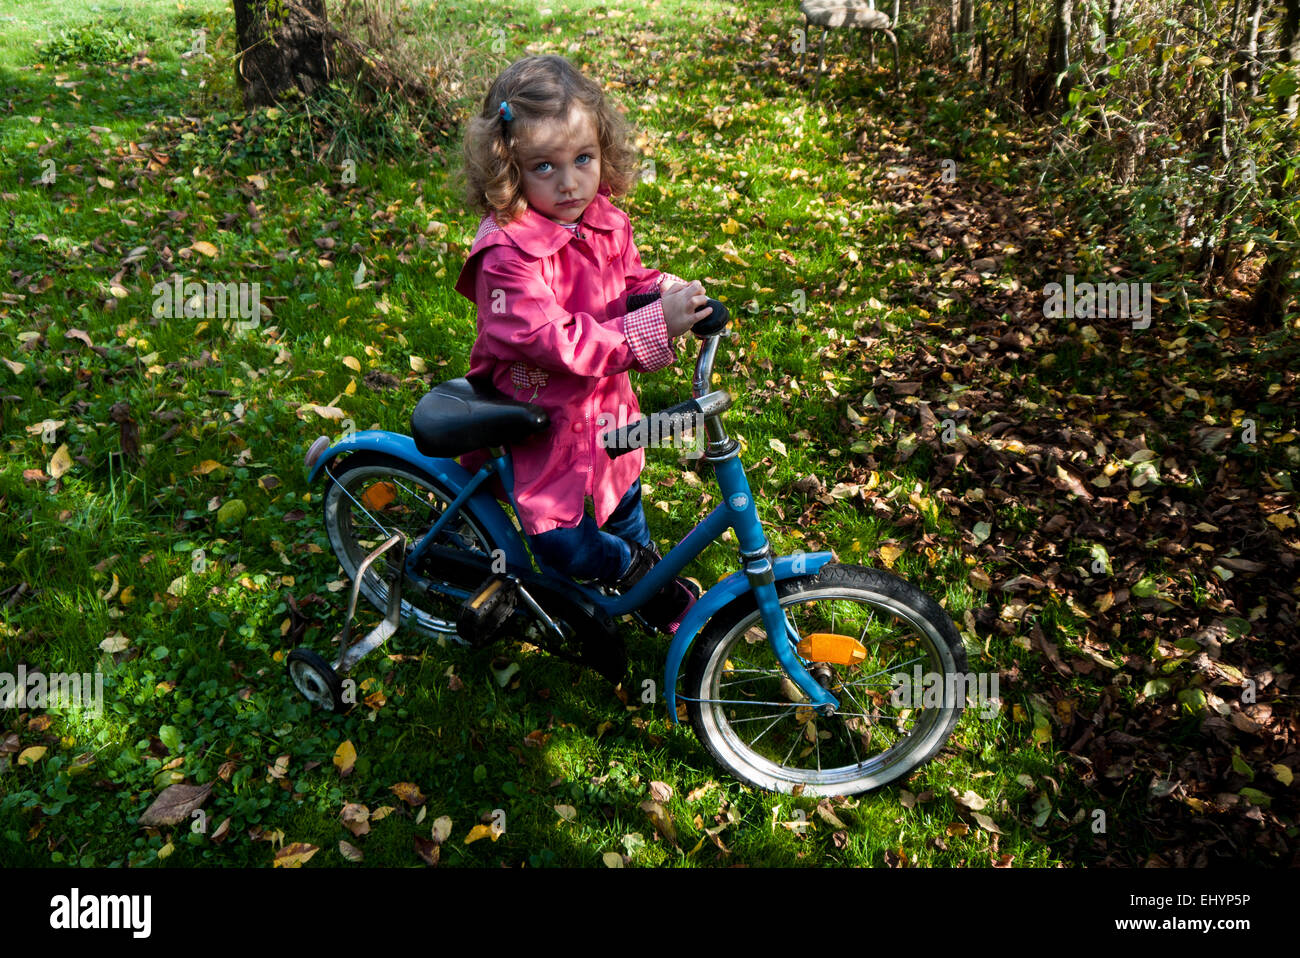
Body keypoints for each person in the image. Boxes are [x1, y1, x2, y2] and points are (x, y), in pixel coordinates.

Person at [454, 55, 713, 635]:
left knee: (623, 505)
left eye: (584, 160)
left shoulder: (604, 222)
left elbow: (629, 284)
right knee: (567, 547)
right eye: (545, 166)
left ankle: (642, 586)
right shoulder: (505, 257)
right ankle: (632, 573)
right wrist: (652, 326)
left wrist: (669, 296)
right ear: (510, 170)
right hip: (541, 427)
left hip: (610, 417)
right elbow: (556, 342)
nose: (569, 182)